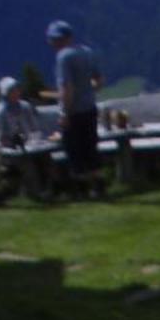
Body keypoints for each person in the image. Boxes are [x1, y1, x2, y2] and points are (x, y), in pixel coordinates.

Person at [46, 19, 106, 197]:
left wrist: (64, 112)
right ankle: (99, 186)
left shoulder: (63, 57)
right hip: (90, 107)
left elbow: (67, 88)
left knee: (75, 150)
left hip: (74, 111)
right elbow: (99, 81)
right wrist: (87, 90)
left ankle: (82, 189)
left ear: (57, 40)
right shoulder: (87, 52)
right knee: (91, 148)